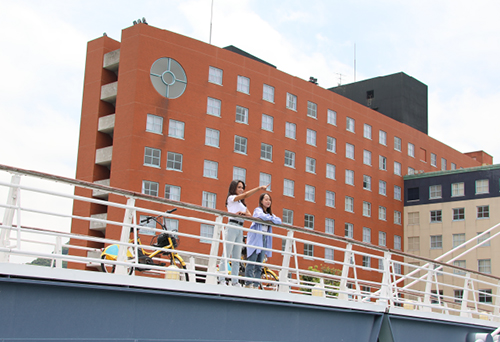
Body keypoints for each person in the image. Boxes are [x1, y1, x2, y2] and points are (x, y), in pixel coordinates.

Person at [219, 180, 268, 286]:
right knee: (226, 254)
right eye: (239, 187)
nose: (241, 190)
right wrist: (259, 188)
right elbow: (245, 195)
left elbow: (250, 215)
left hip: (240, 228)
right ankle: (222, 279)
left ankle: (234, 281)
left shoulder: (242, 203)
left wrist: (244, 214)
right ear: (233, 188)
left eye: (242, 188)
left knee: (237, 257)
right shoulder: (231, 198)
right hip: (232, 225)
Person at [244, 193, 281, 288]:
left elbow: (279, 221)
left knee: (259, 264)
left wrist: (270, 218)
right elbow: (261, 216)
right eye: (266, 199)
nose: (268, 201)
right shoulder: (258, 210)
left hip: (264, 238)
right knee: (252, 261)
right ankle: (248, 284)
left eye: (269, 200)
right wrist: (271, 219)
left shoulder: (270, 214)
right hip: (256, 238)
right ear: (261, 201)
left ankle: (256, 285)